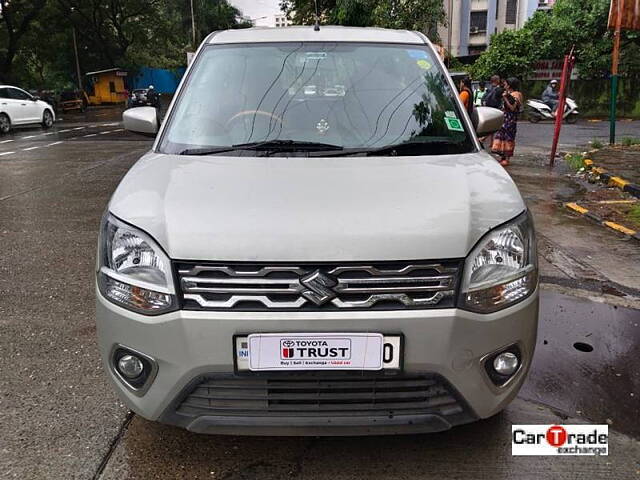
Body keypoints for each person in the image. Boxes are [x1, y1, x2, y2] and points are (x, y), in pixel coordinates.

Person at [491, 77, 523, 167]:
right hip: (505, 118)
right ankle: (502, 157)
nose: (504, 85)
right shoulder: (508, 93)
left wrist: (505, 98)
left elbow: (512, 108)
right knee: (502, 137)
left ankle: (507, 158)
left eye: (506, 83)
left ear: (509, 85)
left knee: (508, 138)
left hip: (511, 119)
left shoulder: (516, 94)